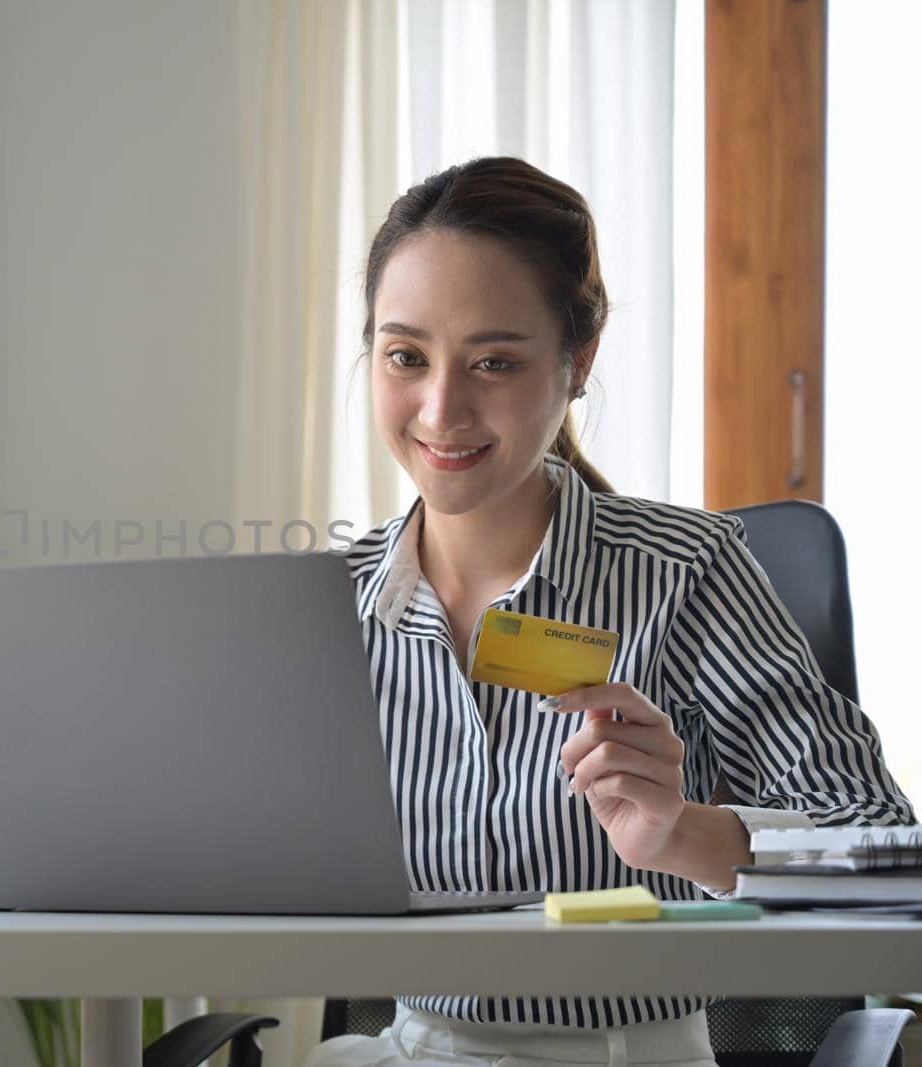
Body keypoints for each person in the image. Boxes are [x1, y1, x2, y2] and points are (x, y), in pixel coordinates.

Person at [305, 157, 913, 1067]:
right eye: (406, 357)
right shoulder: (326, 606)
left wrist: (688, 832)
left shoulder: (687, 573)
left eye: (495, 361)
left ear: (576, 362)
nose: (441, 407)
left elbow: (889, 859)